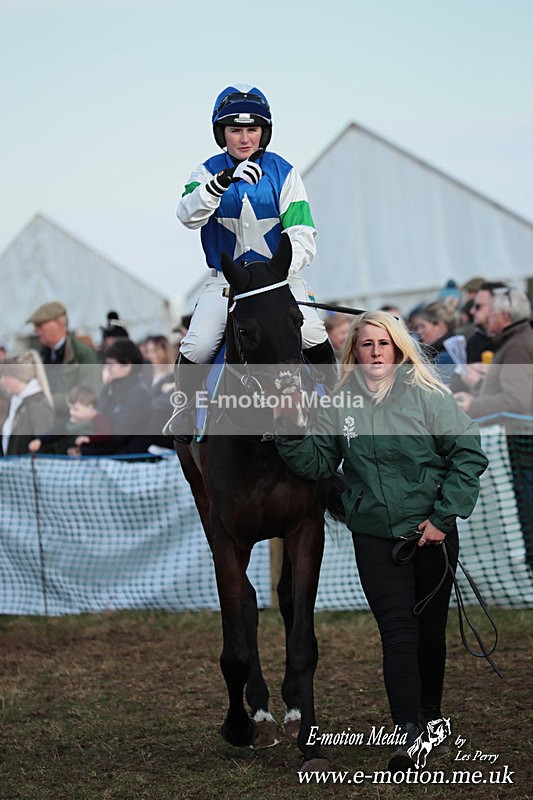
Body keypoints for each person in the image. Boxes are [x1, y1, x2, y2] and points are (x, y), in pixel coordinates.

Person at [274, 310, 488, 772]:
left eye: (383, 344)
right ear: (353, 351)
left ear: (398, 348)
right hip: (374, 537)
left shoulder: (427, 394)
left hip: (431, 535)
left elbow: (469, 452)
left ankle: (430, 721)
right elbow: (317, 465)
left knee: (430, 634)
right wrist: (289, 429)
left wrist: (442, 518)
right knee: (397, 633)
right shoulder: (338, 403)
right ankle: (407, 731)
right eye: (366, 344)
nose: (375, 352)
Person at [165, 83, 335, 442]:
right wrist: (220, 183)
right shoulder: (205, 172)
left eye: (252, 129)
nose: (244, 138)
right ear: (222, 133)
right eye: (235, 130)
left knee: (313, 332)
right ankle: (184, 409)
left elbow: (303, 233)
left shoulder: (284, 172)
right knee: (197, 344)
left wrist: (277, 275)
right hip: (225, 284)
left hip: (278, 281)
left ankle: (337, 404)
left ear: (264, 132)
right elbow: (187, 215)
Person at [454, 286, 533, 419]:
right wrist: (478, 391)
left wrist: (473, 405)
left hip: (515, 433)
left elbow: (515, 400)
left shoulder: (516, 347)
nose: (488, 317)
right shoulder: (518, 339)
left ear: (504, 316)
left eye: (491, 312)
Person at [26, 301, 101, 418]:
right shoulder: (41, 355)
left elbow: (90, 395)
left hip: (70, 425)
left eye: (40, 325)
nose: (36, 330)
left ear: (58, 323)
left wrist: (50, 400)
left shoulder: (83, 354)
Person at [93, 339, 155, 456]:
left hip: (129, 461)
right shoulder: (107, 390)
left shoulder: (139, 394)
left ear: (127, 366)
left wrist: (86, 450)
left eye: (111, 365)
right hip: (107, 456)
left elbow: (118, 434)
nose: (107, 369)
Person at [28, 385, 112, 456]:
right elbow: (56, 431)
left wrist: (89, 439)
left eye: (76, 409)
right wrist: (40, 440)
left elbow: (106, 435)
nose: (71, 412)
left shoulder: (99, 419)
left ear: (89, 407)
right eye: (70, 408)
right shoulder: (70, 421)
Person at [0, 351, 54, 456]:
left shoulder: (39, 405)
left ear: (16, 378)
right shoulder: (15, 402)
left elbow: (45, 447)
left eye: (5, 376)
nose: (2, 381)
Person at [412, 301, 458, 385]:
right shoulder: (452, 349)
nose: (419, 331)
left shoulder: (446, 357)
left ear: (439, 326)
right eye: (417, 327)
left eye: (422, 326)